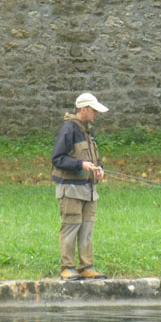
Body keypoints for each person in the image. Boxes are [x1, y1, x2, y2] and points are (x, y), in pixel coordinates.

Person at [51, 92, 109, 281]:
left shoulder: (88, 130)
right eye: (94, 110)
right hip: (70, 190)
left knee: (87, 228)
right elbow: (58, 159)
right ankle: (67, 267)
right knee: (71, 227)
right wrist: (81, 165)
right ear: (83, 109)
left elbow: (93, 157)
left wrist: (99, 168)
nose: (96, 114)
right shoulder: (68, 129)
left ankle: (86, 266)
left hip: (88, 189)